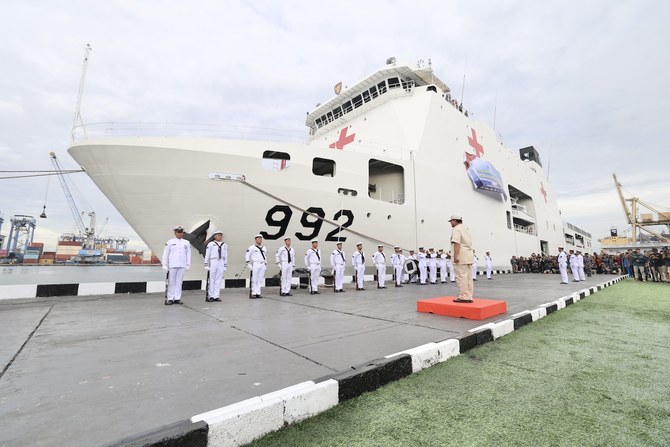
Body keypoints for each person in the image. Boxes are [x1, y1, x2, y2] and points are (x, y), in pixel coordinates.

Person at [162, 225, 192, 305]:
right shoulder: (170, 242)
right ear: (175, 233)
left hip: (182, 264)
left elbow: (188, 254)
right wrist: (164, 264)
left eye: (181, 232)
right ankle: (170, 298)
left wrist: (188, 264)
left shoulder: (186, 242)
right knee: (171, 282)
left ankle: (177, 298)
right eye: (178, 232)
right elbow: (165, 254)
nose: (180, 234)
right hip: (173, 264)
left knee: (179, 282)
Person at [450, 215, 474, 303]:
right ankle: (469, 296)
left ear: (455, 221)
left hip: (461, 257)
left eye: (451, 221)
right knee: (468, 277)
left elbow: (456, 243)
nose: (451, 223)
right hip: (469, 256)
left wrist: (456, 256)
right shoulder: (464, 229)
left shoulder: (456, 229)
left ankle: (464, 296)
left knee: (461, 277)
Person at [204, 229, 227, 302]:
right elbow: (207, 254)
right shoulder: (211, 244)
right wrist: (206, 264)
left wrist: (225, 265)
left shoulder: (224, 245)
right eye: (218, 235)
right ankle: (211, 295)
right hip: (213, 261)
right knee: (212, 279)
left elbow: (226, 255)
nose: (219, 237)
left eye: (220, 235)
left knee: (218, 280)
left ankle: (216, 296)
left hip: (221, 261)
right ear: (214, 236)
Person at [245, 234, 267, 298]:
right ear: (255, 239)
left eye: (261, 238)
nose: (260, 240)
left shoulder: (264, 248)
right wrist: (248, 264)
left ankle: (258, 293)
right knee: (254, 279)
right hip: (256, 264)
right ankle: (253, 293)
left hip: (262, 264)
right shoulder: (252, 247)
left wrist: (265, 264)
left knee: (260, 279)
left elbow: (265, 257)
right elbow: (247, 255)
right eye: (258, 238)